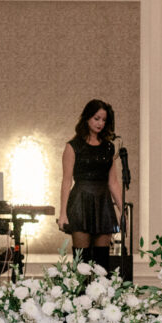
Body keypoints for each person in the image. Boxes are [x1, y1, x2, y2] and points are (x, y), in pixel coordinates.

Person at [56, 99, 123, 268]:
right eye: (96, 118)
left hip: (103, 204)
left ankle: (102, 294)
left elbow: (113, 182)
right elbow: (66, 181)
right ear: (87, 118)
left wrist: (123, 211)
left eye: (104, 120)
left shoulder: (108, 147)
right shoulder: (73, 146)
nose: (100, 123)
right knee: (82, 262)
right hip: (80, 202)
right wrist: (63, 213)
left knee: (102, 263)